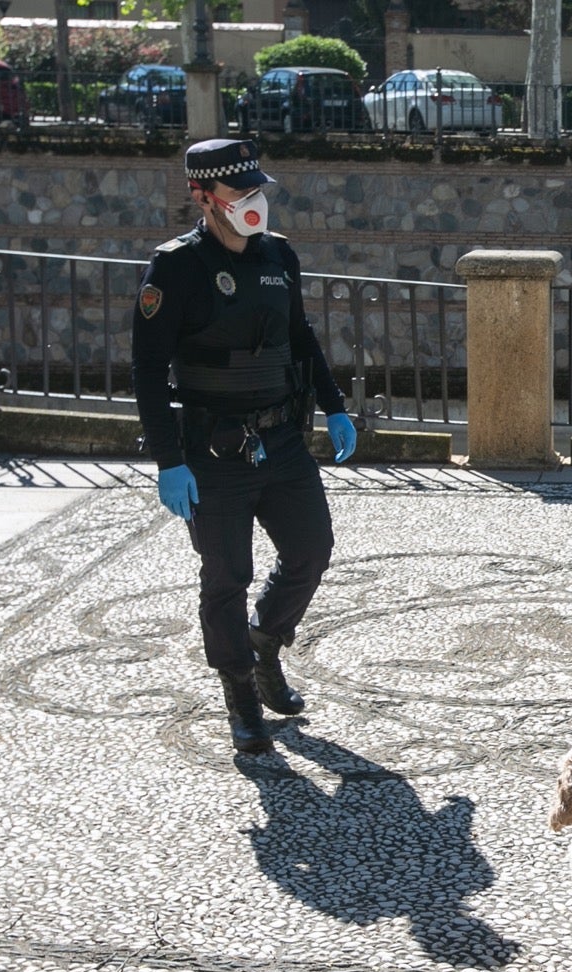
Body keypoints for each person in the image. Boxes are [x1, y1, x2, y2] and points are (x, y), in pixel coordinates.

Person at [133, 138, 356, 755]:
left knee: (312, 551)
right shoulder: (174, 267)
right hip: (211, 451)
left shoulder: (279, 256)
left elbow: (300, 337)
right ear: (203, 198)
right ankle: (239, 691)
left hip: (281, 439)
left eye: (257, 188)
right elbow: (148, 369)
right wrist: (169, 461)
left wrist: (335, 406)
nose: (253, 201)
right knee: (226, 576)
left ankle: (264, 644)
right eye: (239, 191)